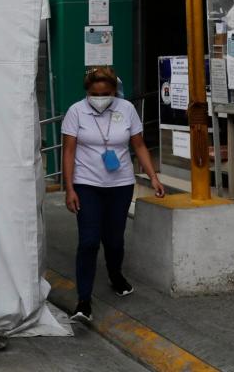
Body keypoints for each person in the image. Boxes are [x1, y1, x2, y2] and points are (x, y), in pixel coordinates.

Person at [61, 66, 164, 323]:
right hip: (86, 184)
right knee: (89, 241)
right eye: (95, 93)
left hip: (120, 184)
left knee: (115, 239)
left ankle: (115, 274)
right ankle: (84, 301)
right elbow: (69, 152)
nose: (101, 97)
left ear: (114, 90)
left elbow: (138, 144)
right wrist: (70, 188)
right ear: (87, 92)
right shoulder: (76, 112)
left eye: (106, 92)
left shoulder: (126, 109)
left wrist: (153, 176)